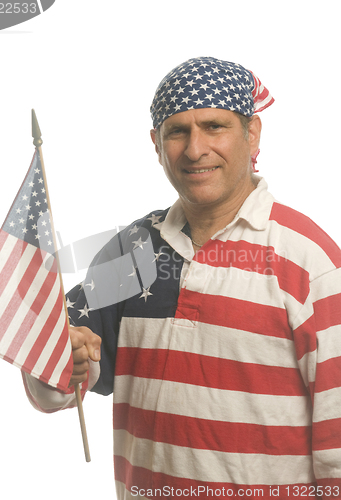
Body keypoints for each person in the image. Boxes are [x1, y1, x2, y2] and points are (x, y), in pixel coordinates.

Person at [23, 57, 341, 499]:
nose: (195, 150)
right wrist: (66, 359)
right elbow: (58, 381)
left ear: (252, 135)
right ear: (156, 144)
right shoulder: (132, 250)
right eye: (178, 131)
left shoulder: (310, 261)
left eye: (214, 127)